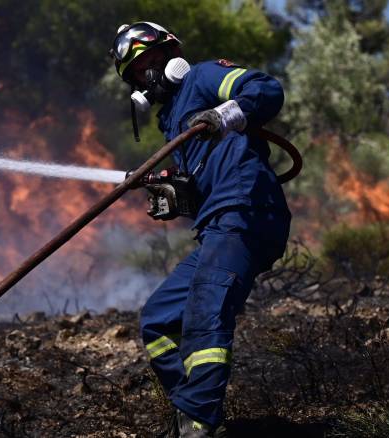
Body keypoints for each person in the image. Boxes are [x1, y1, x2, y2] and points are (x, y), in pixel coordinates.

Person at [110, 22, 292, 437]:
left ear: (171, 52)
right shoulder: (171, 121)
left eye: (152, 61)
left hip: (244, 209)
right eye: (138, 72)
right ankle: (191, 412)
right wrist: (163, 185)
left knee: (205, 312)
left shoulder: (203, 76)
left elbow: (267, 88)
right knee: (158, 320)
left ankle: (198, 422)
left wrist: (226, 112)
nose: (149, 74)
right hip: (217, 225)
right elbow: (196, 179)